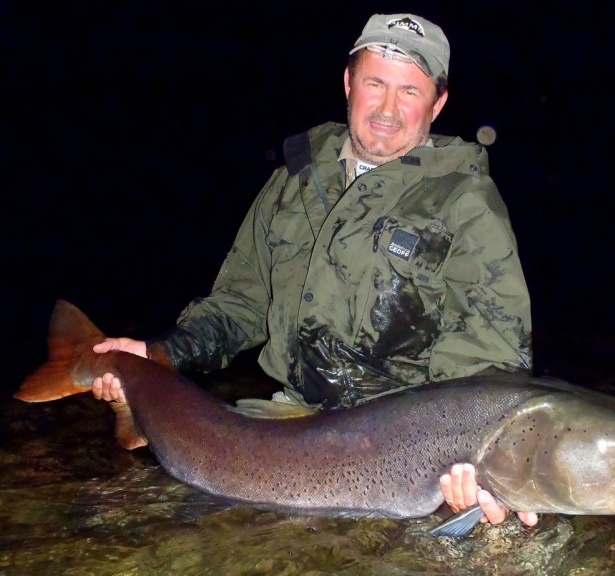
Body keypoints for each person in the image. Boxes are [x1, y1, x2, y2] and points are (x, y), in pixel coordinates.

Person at [92, 13, 537, 528]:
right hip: (289, 421)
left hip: (403, 449)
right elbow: (242, 302)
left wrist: (487, 466)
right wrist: (158, 355)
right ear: (348, 83)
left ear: (437, 104)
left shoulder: (466, 203)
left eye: (410, 92)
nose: (388, 110)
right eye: (375, 83)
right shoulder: (295, 180)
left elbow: (491, 363)